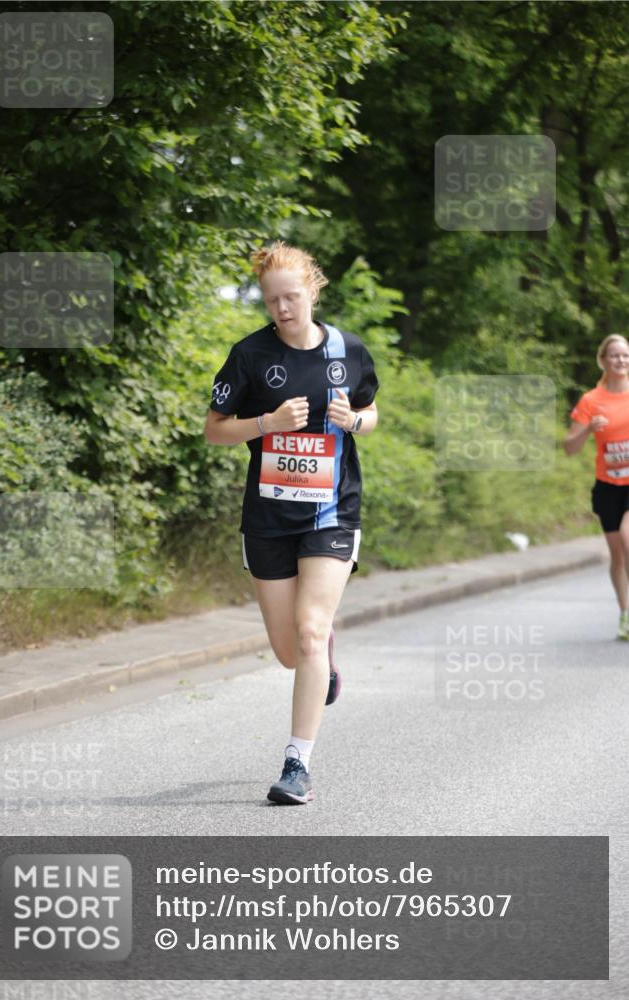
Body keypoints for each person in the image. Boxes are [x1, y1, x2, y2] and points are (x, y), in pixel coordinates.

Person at [204, 240, 379, 803]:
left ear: (314, 290)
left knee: (307, 633)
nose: (282, 309)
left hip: (331, 510)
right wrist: (267, 421)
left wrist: (355, 420)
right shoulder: (250, 355)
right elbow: (215, 428)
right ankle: (322, 655)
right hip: (269, 516)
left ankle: (296, 765)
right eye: (272, 300)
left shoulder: (348, 350)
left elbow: (372, 411)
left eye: (292, 297)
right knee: (290, 651)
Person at [564, 333, 629, 641]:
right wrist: (588, 429)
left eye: (626, 355)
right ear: (603, 360)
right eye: (615, 355)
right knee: (617, 556)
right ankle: (625, 615)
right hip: (608, 486)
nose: (621, 360)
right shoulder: (591, 400)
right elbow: (569, 448)